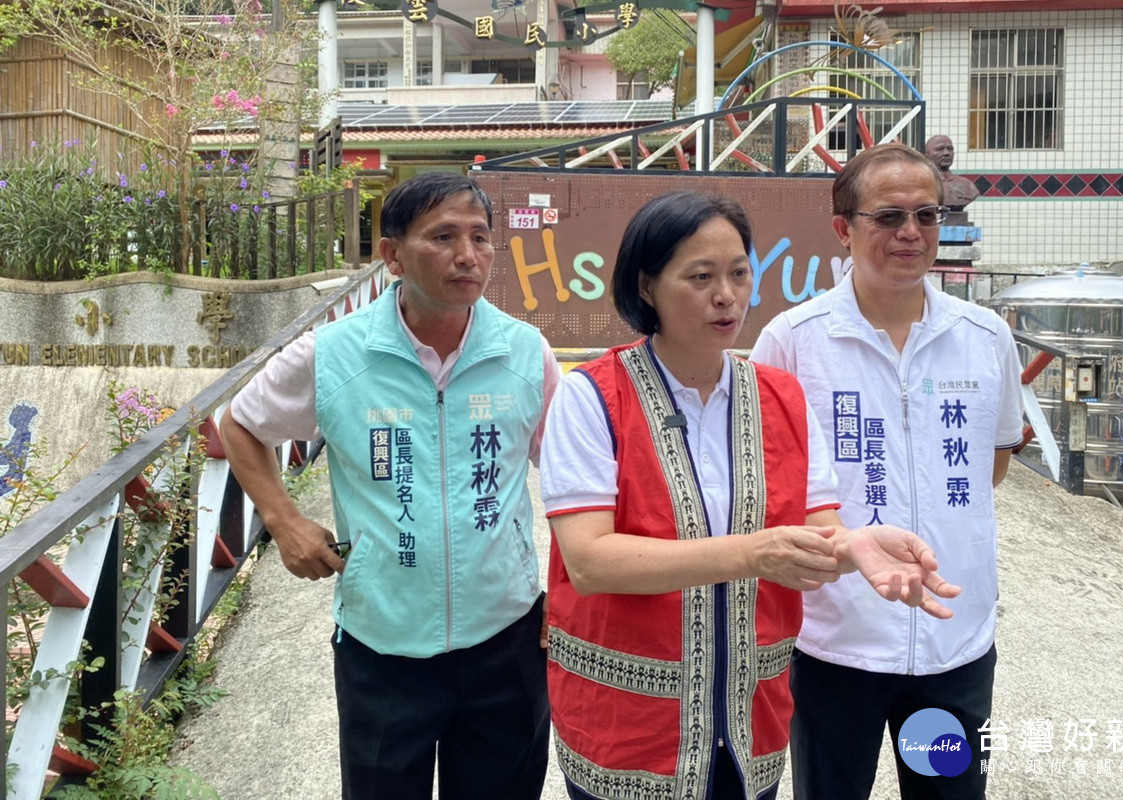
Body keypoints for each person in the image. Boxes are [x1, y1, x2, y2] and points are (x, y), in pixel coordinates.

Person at [539, 190, 964, 800]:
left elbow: (818, 532)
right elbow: (589, 560)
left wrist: (856, 546)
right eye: (701, 276)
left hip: (749, 724)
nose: (726, 295)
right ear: (647, 286)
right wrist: (753, 553)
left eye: (739, 273)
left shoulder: (781, 397)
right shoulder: (592, 397)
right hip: (628, 728)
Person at [219, 172, 557, 800]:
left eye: (481, 238)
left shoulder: (525, 353)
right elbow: (237, 424)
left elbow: (569, 482)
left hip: (506, 639)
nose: (467, 255)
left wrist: (567, 589)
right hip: (382, 645)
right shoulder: (333, 355)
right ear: (393, 254)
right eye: (444, 237)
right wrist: (285, 521)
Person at [750, 142, 1023, 800]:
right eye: (889, 217)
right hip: (835, 642)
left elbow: (993, 460)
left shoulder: (986, 338)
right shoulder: (792, 341)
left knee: (949, 792)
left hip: (954, 645)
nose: (910, 233)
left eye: (927, 216)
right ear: (844, 228)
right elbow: (767, 480)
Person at [925, 135, 979, 210]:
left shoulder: (967, 184)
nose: (946, 153)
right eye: (940, 149)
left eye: (950, 149)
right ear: (927, 155)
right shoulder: (923, 184)